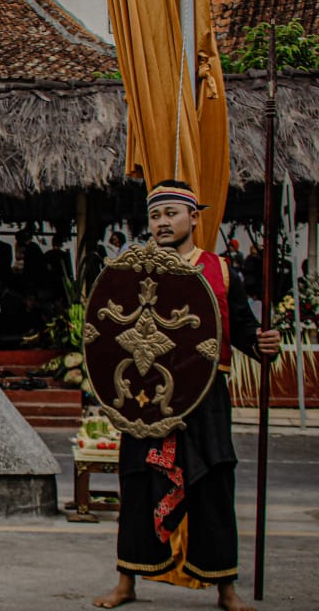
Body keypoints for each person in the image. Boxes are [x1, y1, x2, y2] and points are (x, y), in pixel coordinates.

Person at [93, 181, 280, 611]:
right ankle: (127, 581)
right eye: (156, 215)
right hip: (146, 396)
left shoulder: (221, 270)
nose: (162, 222)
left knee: (213, 484)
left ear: (194, 218)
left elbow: (245, 330)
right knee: (138, 485)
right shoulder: (131, 270)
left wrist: (262, 344)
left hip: (205, 396)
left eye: (172, 213)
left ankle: (225, 588)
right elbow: (108, 333)